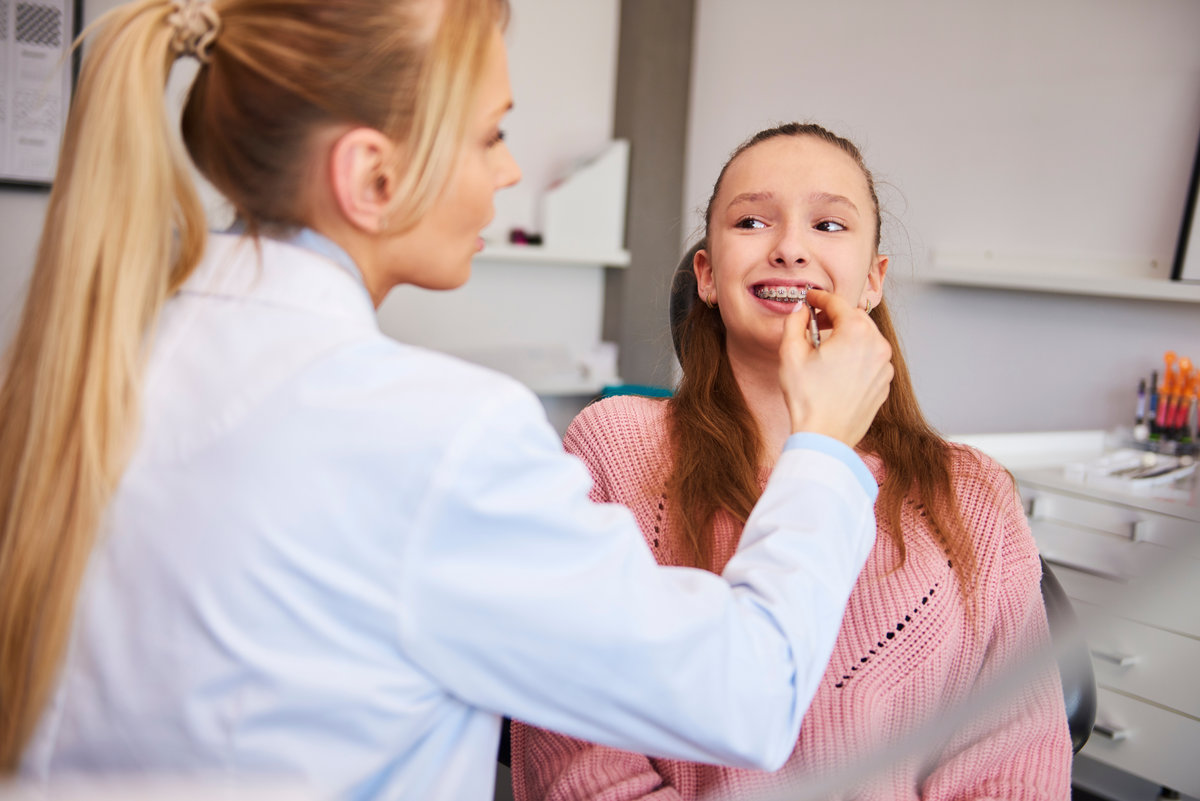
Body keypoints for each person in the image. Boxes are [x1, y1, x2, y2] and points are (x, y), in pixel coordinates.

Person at [0, 3, 898, 799]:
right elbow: (749, 691)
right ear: (373, 178)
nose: (508, 174)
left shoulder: (97, 362)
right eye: (489, 135)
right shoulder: (440, 438)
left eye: (828, 224)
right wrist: (822, 446)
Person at [511, 123, 1073, 800]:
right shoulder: (617, 446)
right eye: (751, 220)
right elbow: (579, 756)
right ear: (708, 275)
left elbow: (1016, 764)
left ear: (873, 280)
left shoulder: (972, 490)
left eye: (829, 224)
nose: (789, 248)